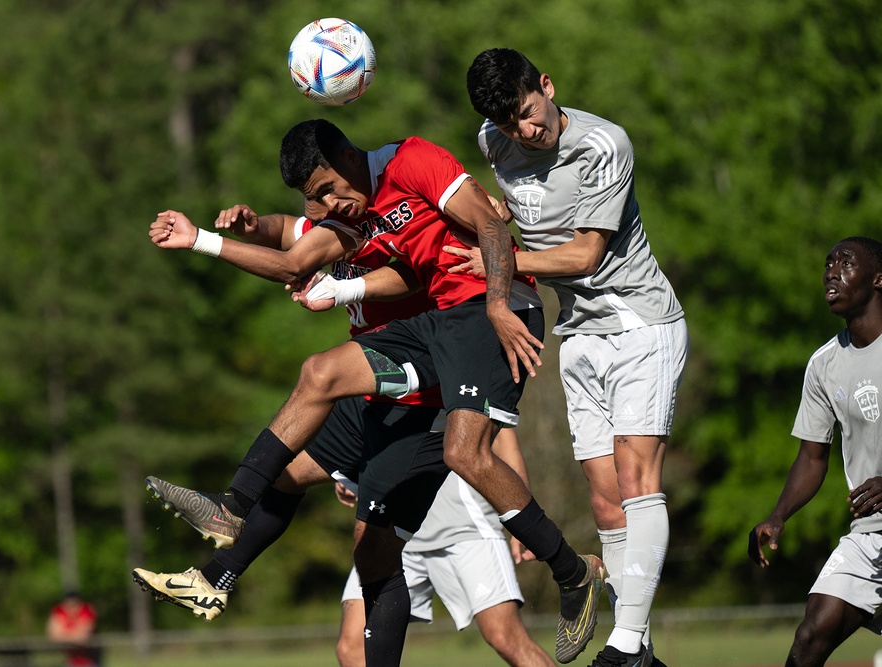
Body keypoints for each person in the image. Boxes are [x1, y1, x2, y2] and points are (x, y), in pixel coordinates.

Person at [145, 119, 605, 666]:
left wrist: (499, 304)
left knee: (464, 455)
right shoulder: (356, 211)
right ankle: (227, 521)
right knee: (322, 385)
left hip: (484, 315)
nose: (321, 208)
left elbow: (486, 222)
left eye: (324, 192)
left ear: (345, 157)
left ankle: (573, 574)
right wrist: (324, 269)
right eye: (311, 201)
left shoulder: (410, 163)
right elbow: (373, 265)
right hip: (432, 335)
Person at [454, 48, 688, 667]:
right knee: (606, 499)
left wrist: (499, 265)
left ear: (548, 87)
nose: (524, 132)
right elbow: (508, 216)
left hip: (640, 321)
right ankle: (640, 648)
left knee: (639, 481)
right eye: (509, 125)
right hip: (579, 330)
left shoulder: (603, 143)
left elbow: (584, 256)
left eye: (529, 113)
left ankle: (625, 644)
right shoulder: (493, 138)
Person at [748, 236, 882, 667]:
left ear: (878, 278)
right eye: (827, 264)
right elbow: (812, 457)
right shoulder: (824, 364)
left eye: (845, 262)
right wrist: (778, 514)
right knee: (811, 633)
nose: (830, 271)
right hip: (871, 534)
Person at [335, 466, 555, 667]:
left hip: (464, 528)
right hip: (393, 529)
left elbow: (507, 447)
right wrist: (350, 470)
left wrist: (526, 524)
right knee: (352, 649)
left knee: (505, 639)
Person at [46, 591, 100, 667]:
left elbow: (83, 637)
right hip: (70, 660)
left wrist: (64, 635)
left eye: (74, 604)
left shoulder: (86, 610)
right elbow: (53, 636)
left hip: (89, 660)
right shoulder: (59, 611)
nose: (71, 608)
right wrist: (73, 635)